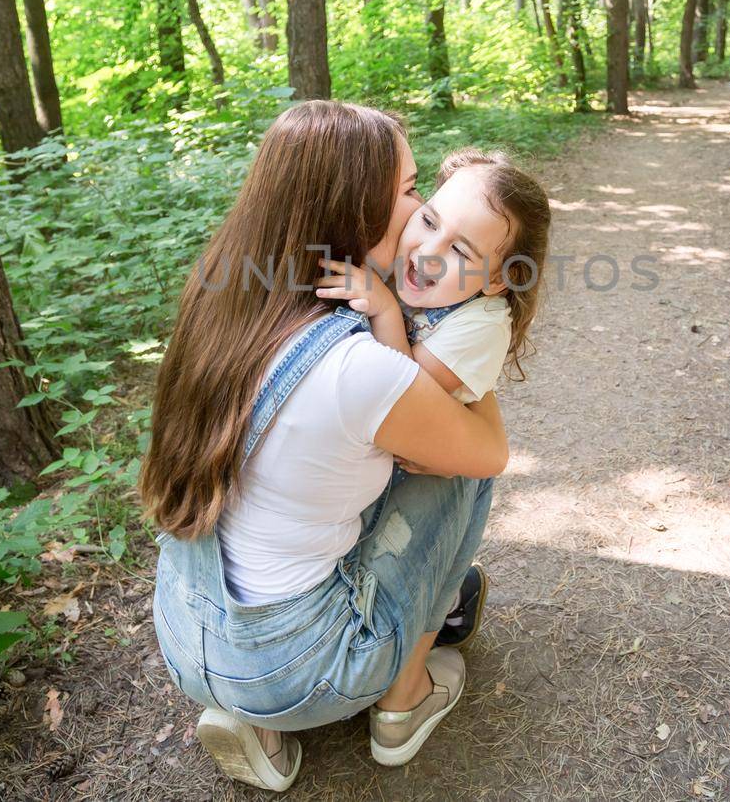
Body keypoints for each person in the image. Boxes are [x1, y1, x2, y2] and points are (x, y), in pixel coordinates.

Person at [142, 101, 508, 792]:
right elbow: (489, 452)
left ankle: (254, 718)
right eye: (407, 191)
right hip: (301, 665)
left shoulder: (228, 295)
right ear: (350, 209)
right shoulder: (358, 368)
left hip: (188, 636)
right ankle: (403, 700)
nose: (420, 207)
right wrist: (470, 361)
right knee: (459, 461)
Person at [314, 147, 551, 646]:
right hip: (363, 457)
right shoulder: (412, 268)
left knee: (468, 479)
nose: (427, 252)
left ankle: (428, 608)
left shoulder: (480, 326)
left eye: (462, 252)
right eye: (427, 220)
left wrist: (382, 308)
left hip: (405, 453)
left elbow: (405, 394)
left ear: (494, 281)